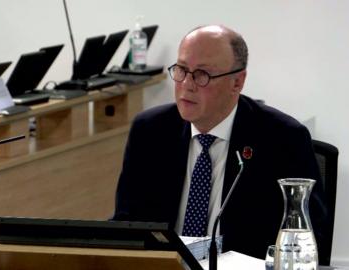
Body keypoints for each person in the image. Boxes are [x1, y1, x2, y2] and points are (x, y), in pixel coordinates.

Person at [112, 25, 326, 260]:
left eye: (202, 75)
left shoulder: (282, 139)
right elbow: (127, 226)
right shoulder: (150, 132)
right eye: (181, 70)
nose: (187, 84)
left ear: (237, 82)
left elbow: (310, 239)